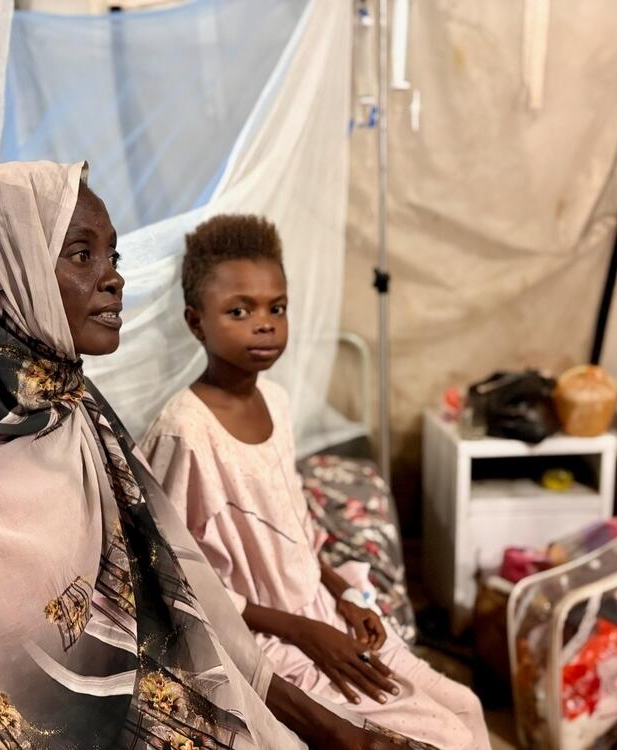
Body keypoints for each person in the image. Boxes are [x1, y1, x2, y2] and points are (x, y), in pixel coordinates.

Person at [0, 162, 430, 749]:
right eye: (80, 255)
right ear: (8, 271)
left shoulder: (75, 415)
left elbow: (185, 602)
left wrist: (334, 730)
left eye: (114, 258)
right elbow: (16, 698)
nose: (112, 280)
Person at [142, 214, 491, 750]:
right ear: (196, 322)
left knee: (466, 704)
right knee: (442, 736)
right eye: (239, 311)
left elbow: (294, 534)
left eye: (275, 308)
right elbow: (181, 576)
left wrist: (345, 596)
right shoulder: (186, 432)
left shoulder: (277, 404)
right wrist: (306, 633)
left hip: (324, 613)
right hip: (269, 638)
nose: (264, 323)